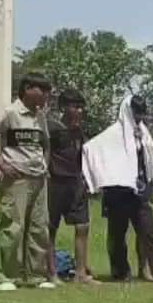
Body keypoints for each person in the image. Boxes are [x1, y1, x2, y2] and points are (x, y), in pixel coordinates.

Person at [0, 76, 55, 292]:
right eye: (43, 90)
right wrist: (1, 164)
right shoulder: (10, 113)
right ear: (28, 89)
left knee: (39, 228)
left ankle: (36, 276)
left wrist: (44, 166)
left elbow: (46, 145)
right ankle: (6, 275)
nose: (47, 95)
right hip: (16, 180)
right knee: (13, 226)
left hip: (38, 179)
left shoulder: (40, 117)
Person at [83, 94, 153, 283]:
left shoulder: (144, 133)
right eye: (137, 113)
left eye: (142, 113)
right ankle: (120, 271)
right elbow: (91, 148)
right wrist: (103, 176)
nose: (140, 117)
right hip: (118, 191)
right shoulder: (114, 133)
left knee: (148, 228)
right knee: (117, 232)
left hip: (138, 190)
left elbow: (148, 156)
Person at [46, 89, 96, 284]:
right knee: (51, 228)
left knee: (83, 225)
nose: (79, 111)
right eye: (75, 107)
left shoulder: (79, 132)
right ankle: (51, 273)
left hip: (76, 182)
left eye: (81, 107)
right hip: (56, 182)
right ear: (63, 108)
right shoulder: (53, 128)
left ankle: (81, 272)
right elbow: (47, 152)